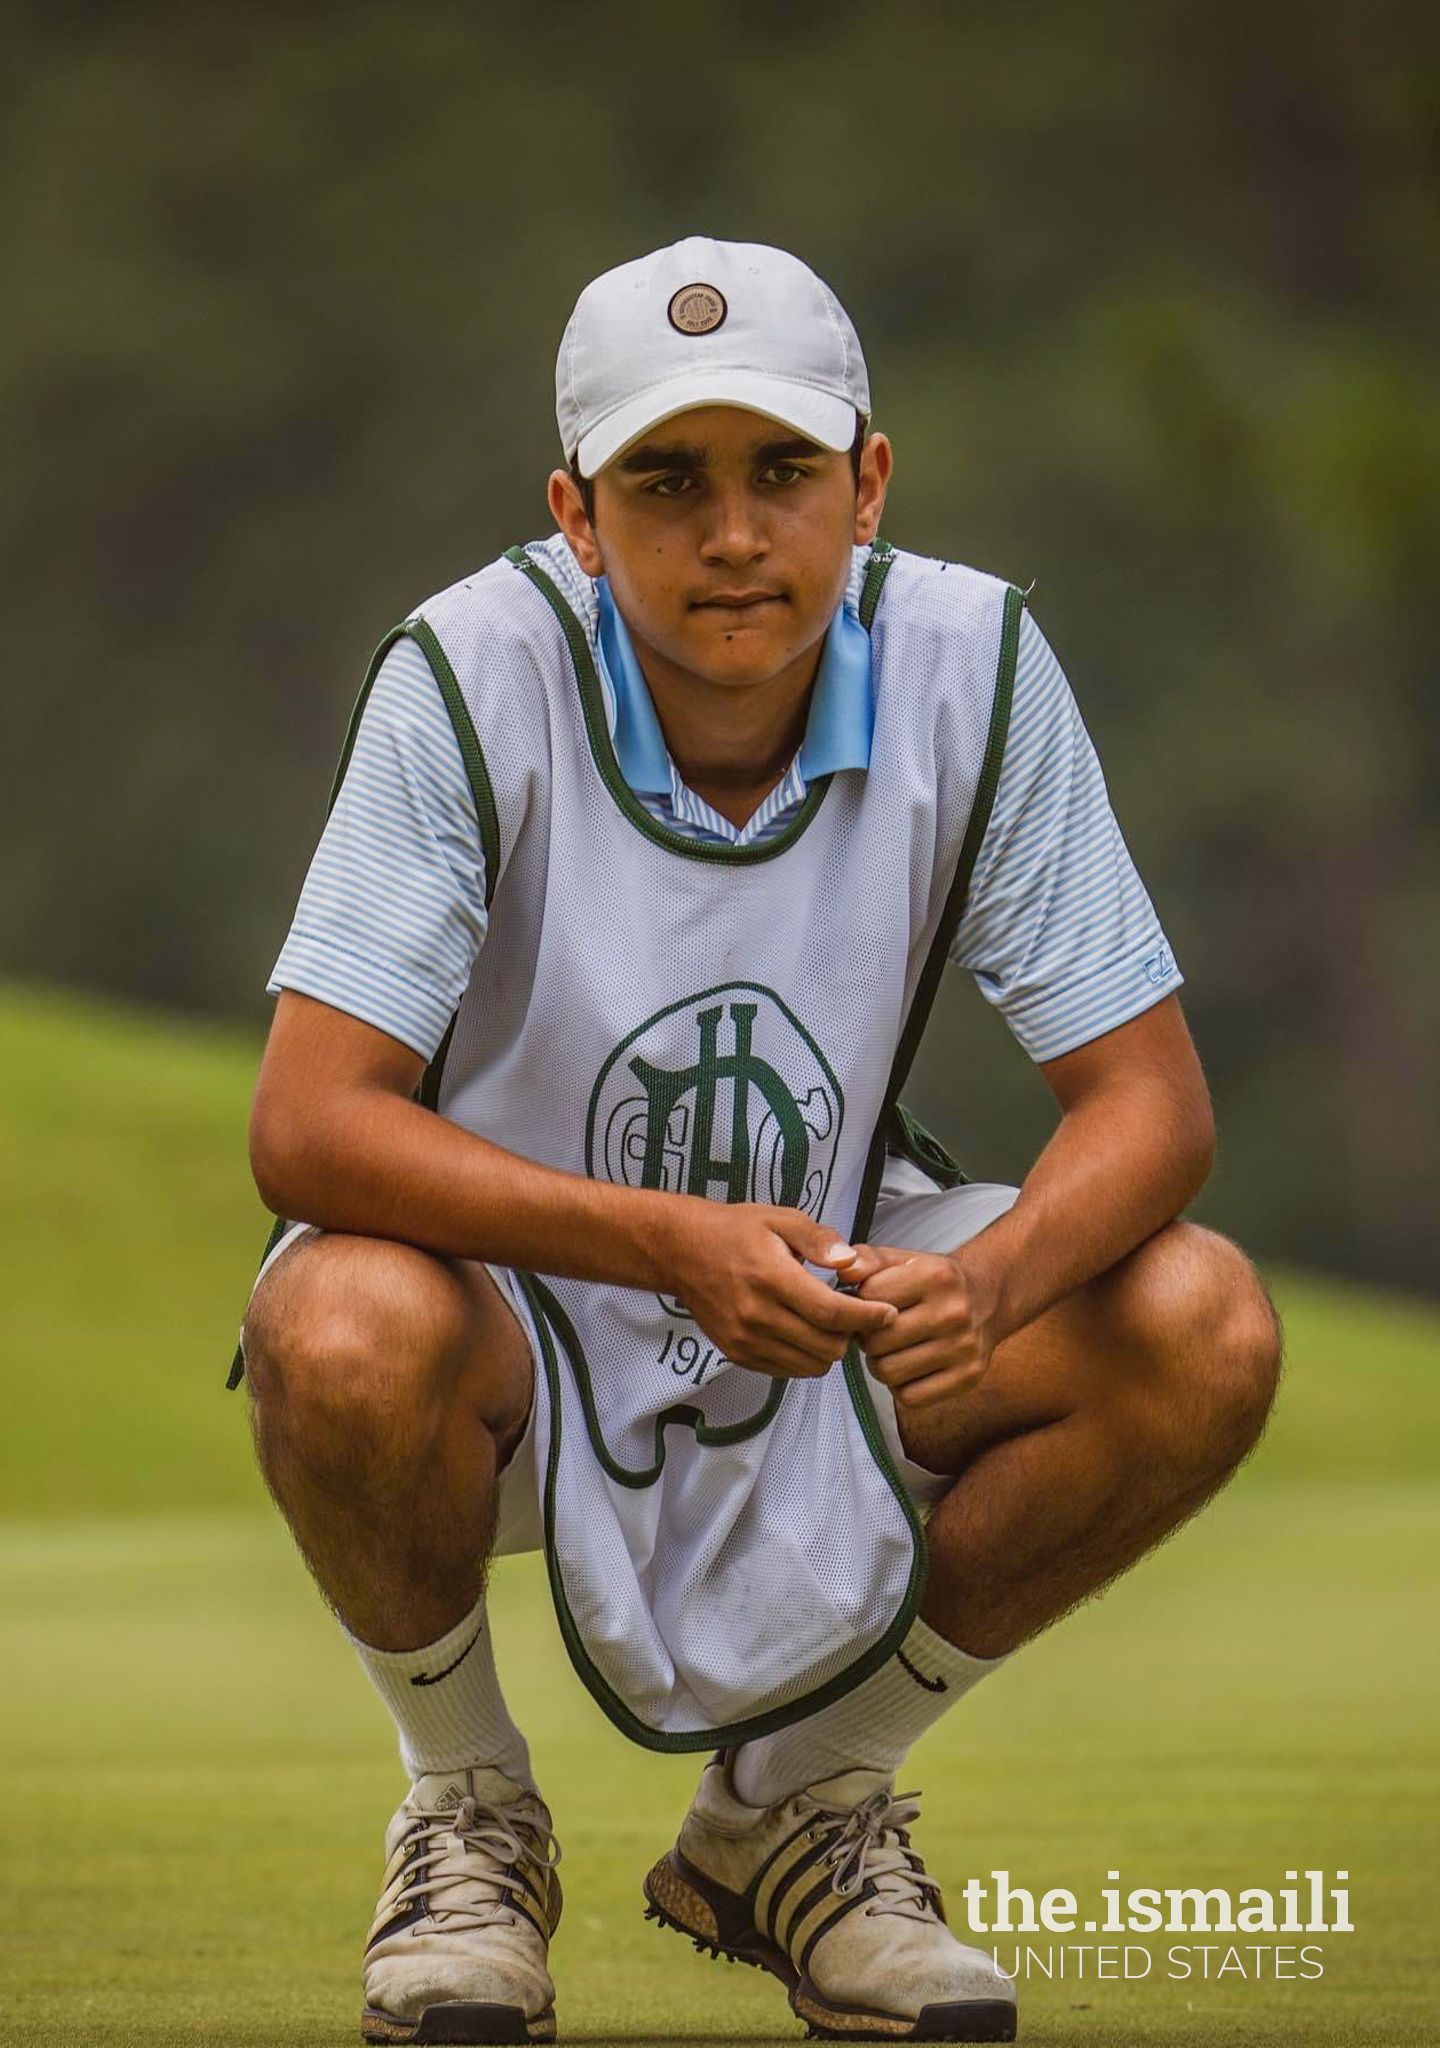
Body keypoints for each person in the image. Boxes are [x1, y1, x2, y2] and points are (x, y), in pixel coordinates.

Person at [232, 236, 1283, 2046]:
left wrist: (990, 1277)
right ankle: (470, 1816)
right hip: (515, 1343)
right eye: (668, 479)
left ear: (868, 482)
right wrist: (662, 1242)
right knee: (332, 1324)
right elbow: (308, 1129)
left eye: (782, 470)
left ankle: (793, 1813)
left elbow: (1150, 1106)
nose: (733, 533)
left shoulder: (979, 664)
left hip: (820, 1312)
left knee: (1200, 1319)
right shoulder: (467, 672)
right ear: (577, 511)